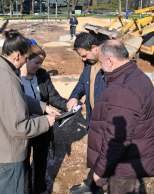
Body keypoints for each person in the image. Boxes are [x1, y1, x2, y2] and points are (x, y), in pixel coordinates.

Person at [0, 29, 59, 194]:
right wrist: (45, 121)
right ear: (17, 55)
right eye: (27, 58)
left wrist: (42, 107)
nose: (26, 62)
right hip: (6, 157)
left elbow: (14, 99)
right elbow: (19, 127)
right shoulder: (7, 80)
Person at [89, 40, 154, 193]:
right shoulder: (136, 75)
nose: (101, 67)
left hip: (123, 167)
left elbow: (117, 138)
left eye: (101, 62)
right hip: (132, 160)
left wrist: (101, 170)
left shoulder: (124, 89)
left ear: (110, 60)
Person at [20, 44, 68, 194]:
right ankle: (26, 189)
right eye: (37, 63)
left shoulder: (42, 76)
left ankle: (40, 188)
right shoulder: (14, 78)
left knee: (41, 160)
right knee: (24, 162)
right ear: (26, 59)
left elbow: (53, 96)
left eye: (41, 63)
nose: (39, 66)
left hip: (43, 126)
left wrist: (67, 105)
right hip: (24, 127)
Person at [67, 32, 107, 194]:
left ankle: (97, 185)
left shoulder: (110, 65)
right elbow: (83, 83)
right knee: (97, 153)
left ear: (95, 48)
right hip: (94, 118)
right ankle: (93, 185)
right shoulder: (89, 63)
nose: (83, 59)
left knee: (107, 154)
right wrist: (74, 97)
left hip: (107, 120)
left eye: (84, 55)